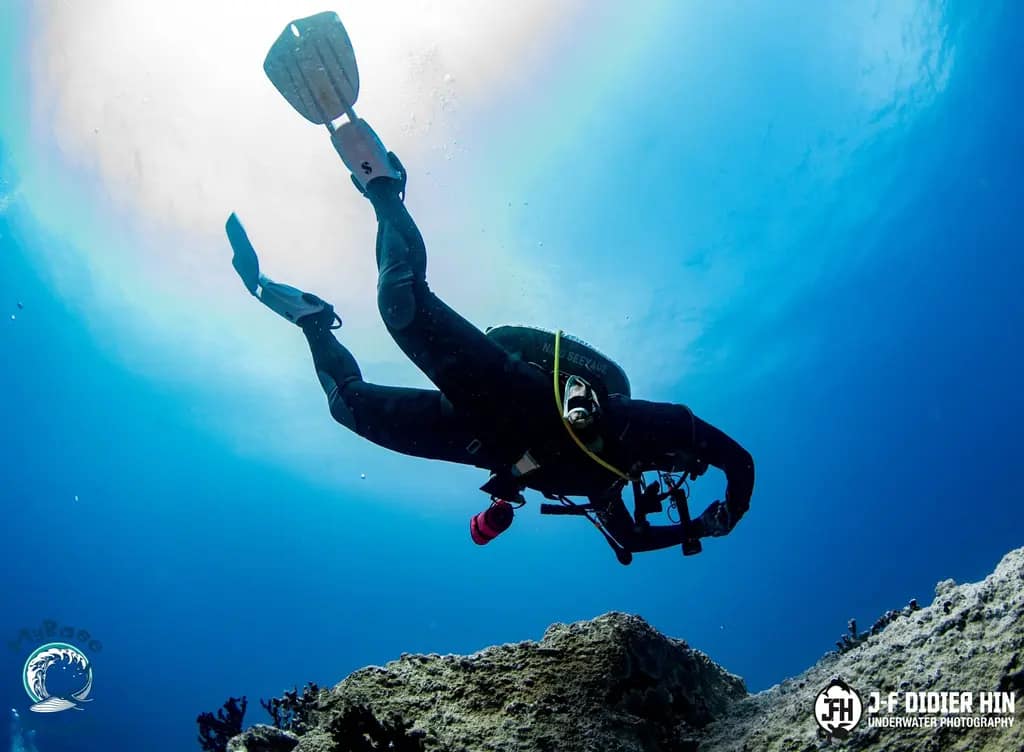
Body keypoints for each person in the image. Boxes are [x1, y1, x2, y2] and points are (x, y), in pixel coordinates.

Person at [226, 117, 754, 557]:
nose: (675, 469)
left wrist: (699, 528)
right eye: (684, 461)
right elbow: (739, 459)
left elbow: (630, 539)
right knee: (401, 307)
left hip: (476, 440)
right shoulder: (634, 423)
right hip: (514, 394)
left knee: (349, 408)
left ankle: (313, 321)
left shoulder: (606, 485)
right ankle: (384, 187)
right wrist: (734, 504)